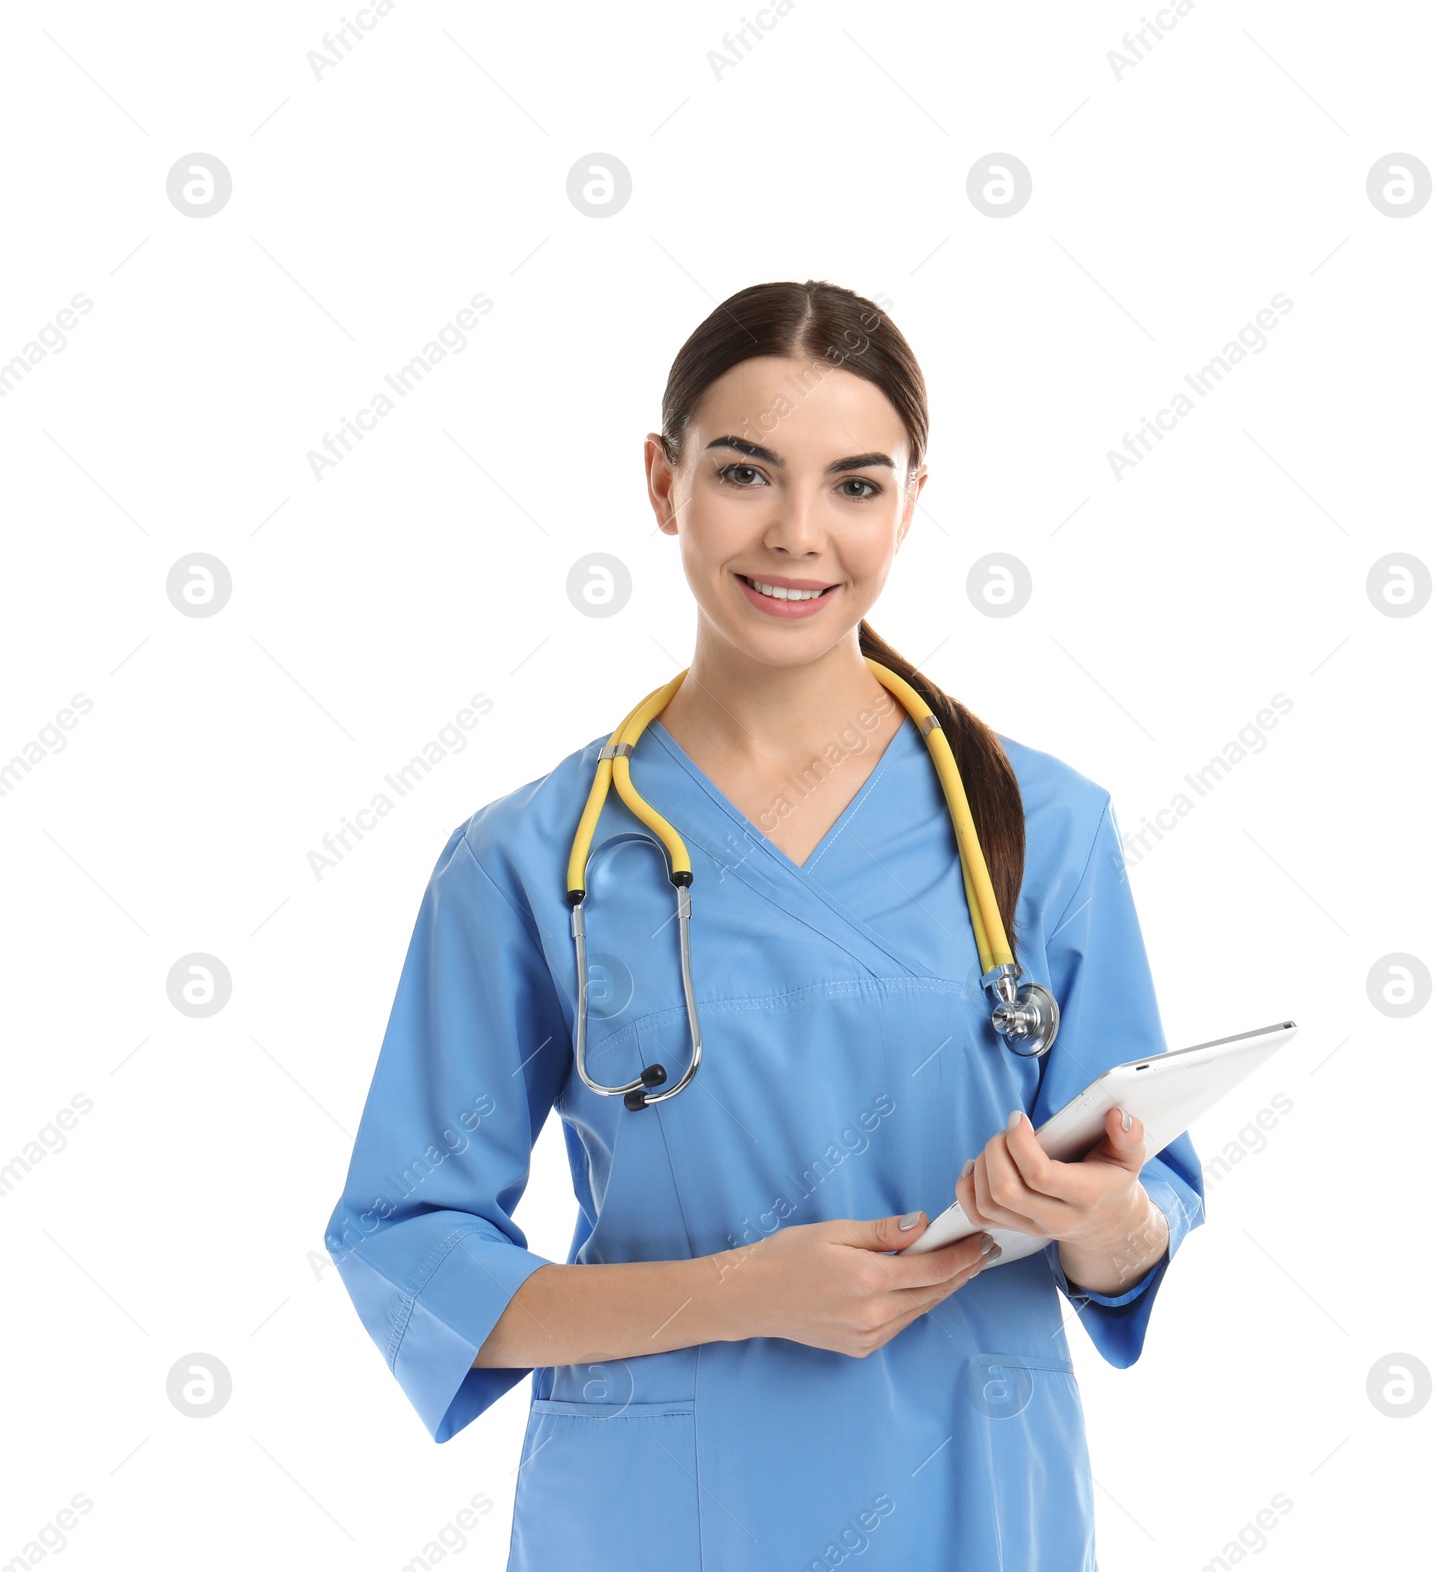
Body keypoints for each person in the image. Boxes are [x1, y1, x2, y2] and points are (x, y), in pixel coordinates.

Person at [324, 279, 1205, 1571]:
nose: (799, 534)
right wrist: (737, 1295)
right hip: (657, 1520)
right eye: (746, 473)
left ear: (911, 499)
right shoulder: (528, 859)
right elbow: (404, 1244)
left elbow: (1137, 1231)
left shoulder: (1042, 832)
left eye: (856, 485)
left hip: (973, 1507)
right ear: (662, 482)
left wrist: (1098, 1215)